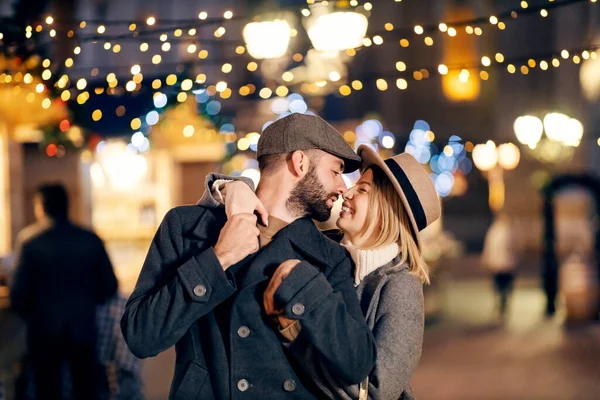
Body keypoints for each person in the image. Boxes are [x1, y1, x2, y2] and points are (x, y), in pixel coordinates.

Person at [121, 113, 376, 399]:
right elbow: (140, 337)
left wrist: (306, 286)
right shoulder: (188, 227)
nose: (343, 188)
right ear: (300, 162)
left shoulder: (330, 257)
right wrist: (216, 260)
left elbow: (358, 363)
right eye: (336, 171)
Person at [200, 144, 441, 399]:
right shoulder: (318, 248)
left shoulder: (399, 286)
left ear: (387, 210)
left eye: (362, 190)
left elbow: (374, 392)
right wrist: (228, 186)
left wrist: (295, 336)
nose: (347, 192)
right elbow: (267, 215)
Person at [9, 183, 118, 400]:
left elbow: (18, 293)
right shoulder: (89, 239)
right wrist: (85, 302)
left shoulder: (29, 241)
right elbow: (109, 286)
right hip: (83, 327)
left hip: (44, 330)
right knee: (85, 388)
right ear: (68, 205)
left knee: (47, 389)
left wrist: (32, 312)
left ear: (40, 207)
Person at [481, 213, 520, 321]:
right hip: (503, 264)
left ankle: (502, 306)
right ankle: (501, 306)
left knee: (502, 286)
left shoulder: (497, 231)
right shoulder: (502, 231)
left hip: (503, 264)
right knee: (502, 287)